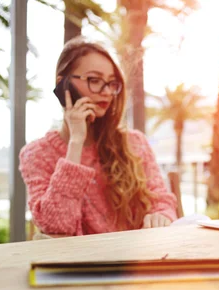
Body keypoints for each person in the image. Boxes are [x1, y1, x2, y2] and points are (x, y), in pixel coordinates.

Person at [19, 37, 178, 236]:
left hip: (138, 260)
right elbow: (56, 226)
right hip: (80, 264)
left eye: (112, 83)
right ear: (63, 84)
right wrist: (75, 144)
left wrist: (161, 214)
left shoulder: (134, 143)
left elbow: (161, 200)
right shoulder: (36, 154)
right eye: (94, 80)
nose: (107, 92)